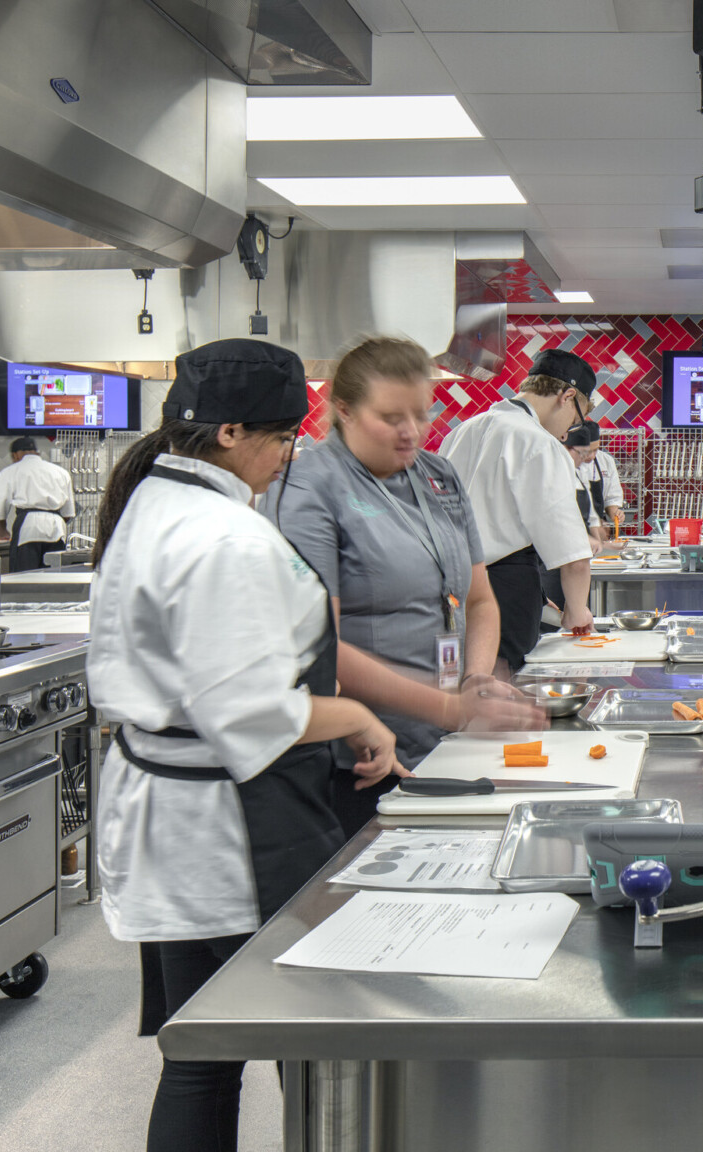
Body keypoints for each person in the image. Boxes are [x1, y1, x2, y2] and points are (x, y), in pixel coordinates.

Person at [87, 339, 403, 1152]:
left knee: (202, 1050)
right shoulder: (225, 536)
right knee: (314, 1047)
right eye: (282, 437)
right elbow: (255, 715)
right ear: (230, 434)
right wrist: (361, 719)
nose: (286, 455)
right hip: (231, 822)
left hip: (170, 809)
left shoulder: (152, 502)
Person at [267, 336, 542, 833]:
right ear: (344, 411)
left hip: (445, 741)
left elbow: (478, 600)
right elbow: (317, 644)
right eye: (391, 417)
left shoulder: (439, 476)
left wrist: (476, 681)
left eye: (422, 414)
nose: (411, 432)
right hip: (363, 752)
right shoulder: (308, 488)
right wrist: (449, 707)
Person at [440, 348, 599, 671]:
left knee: (461, 691)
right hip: (503, 598)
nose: (568, 430)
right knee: (502, 696)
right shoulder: (538, 442)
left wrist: (540, 599)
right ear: (566, 396)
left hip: (450, 592)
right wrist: (577, 611)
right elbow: (574, 559)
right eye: (576, 417)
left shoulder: (464, 430)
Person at [542, 422, 608, 613]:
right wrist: (580, 537)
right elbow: (549, 520)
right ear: (565, 447)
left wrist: (595, 538)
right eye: (582, 454)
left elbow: (587, 518)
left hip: (570, 566)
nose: (585, 459)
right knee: (552, 628)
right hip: (551, 567)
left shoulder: (575, 474)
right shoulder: (551, 475)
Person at [0, 436, 76, 571]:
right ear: (37, 452)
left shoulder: (10, 471)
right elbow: (68, 513)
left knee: (24, 578)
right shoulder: (60, 472)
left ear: (15, 455)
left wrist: (2, 531)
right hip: (57, 529)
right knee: (55, 576)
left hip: (27, 528)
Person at [578, 424, 625, 535]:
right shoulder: (569, 461)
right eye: (589, 451)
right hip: (576, 528)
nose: (593, 456)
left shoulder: (606, 460)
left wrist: (615, 513)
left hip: (598, 529)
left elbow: (611, 497)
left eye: (596, 450)